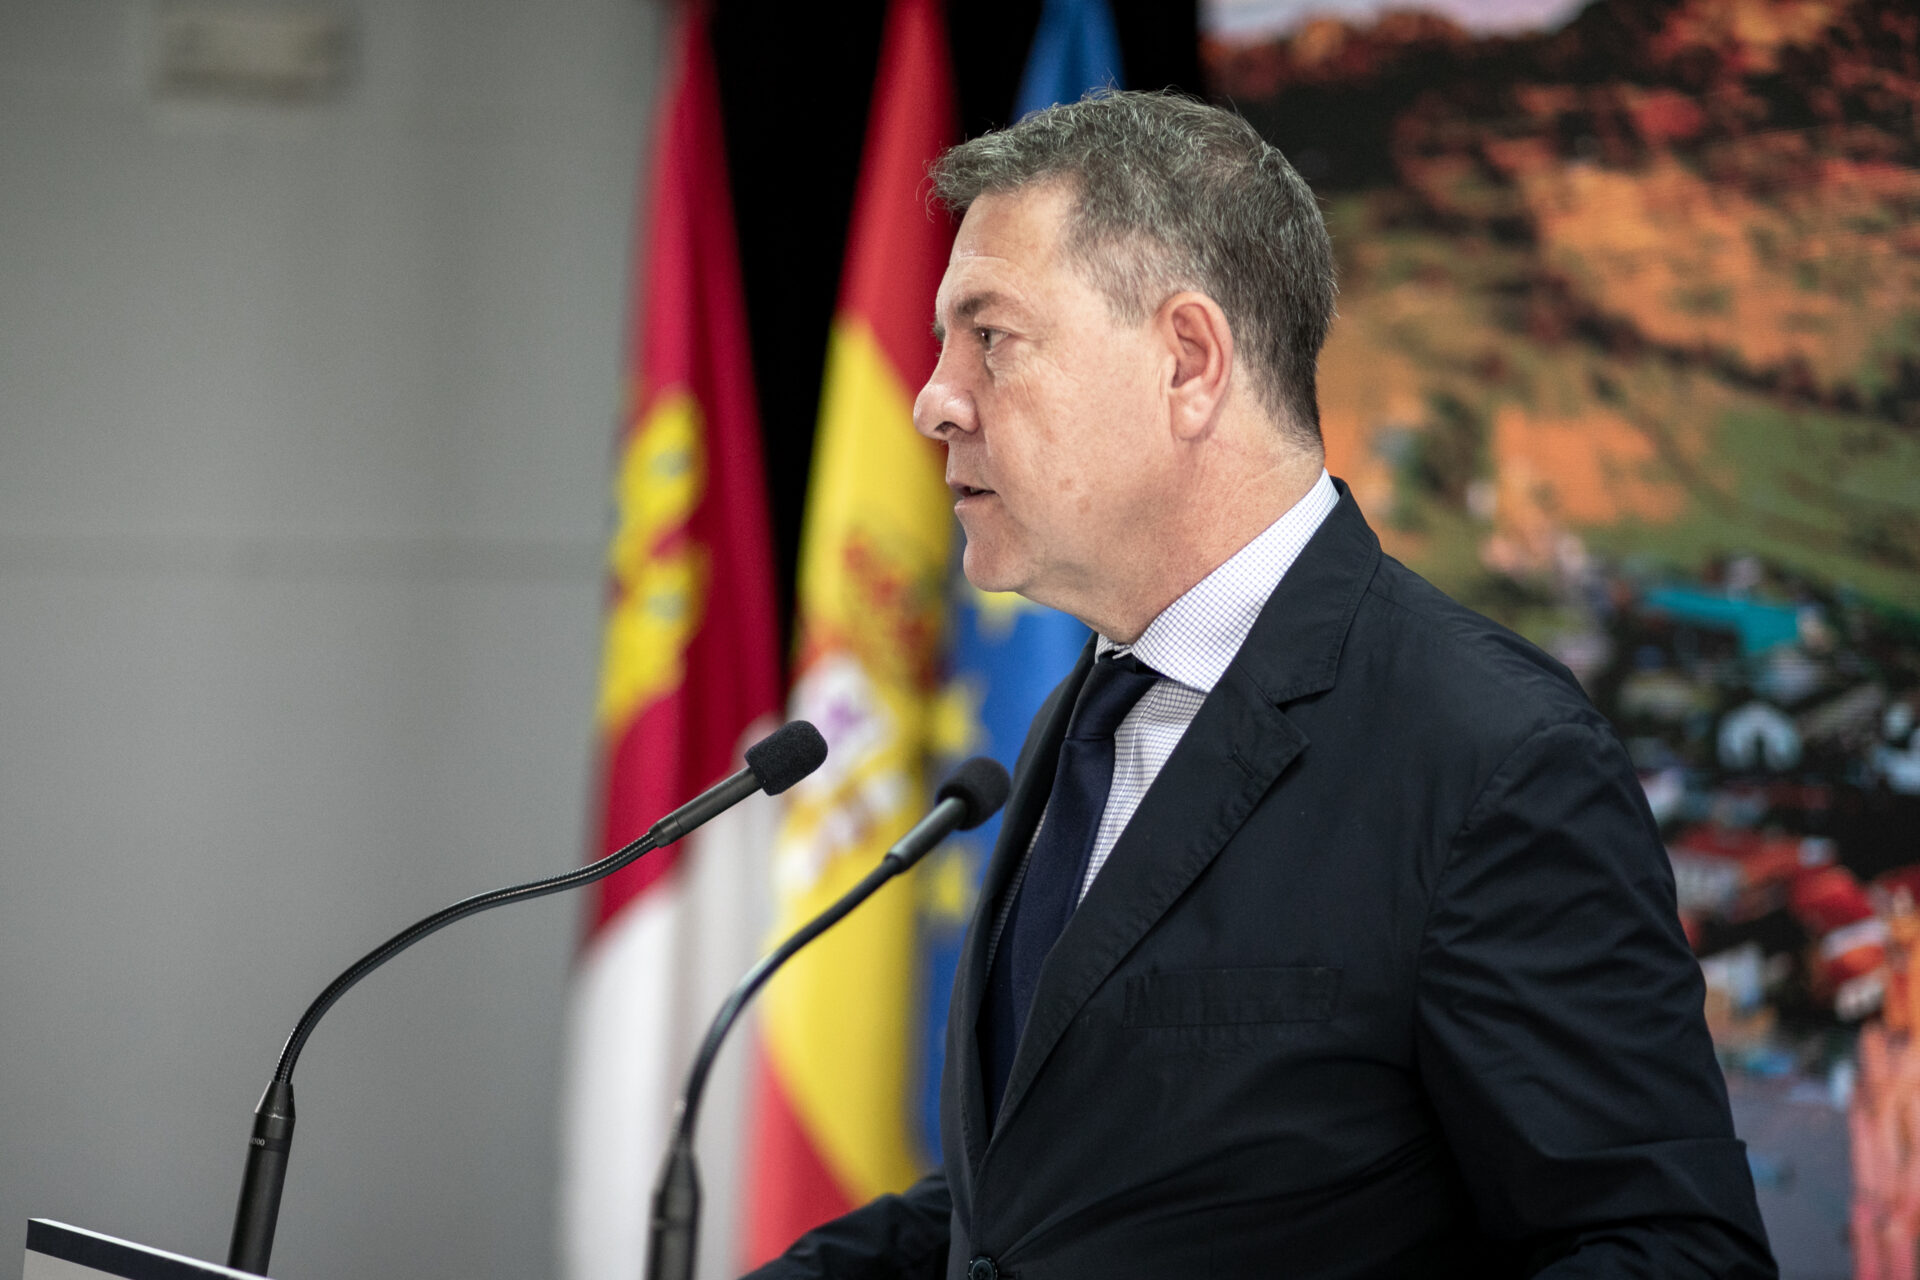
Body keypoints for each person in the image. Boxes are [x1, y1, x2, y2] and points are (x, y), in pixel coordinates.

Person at [747, 90, 1775, 1279]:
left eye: (991, 337)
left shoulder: (1491, 756)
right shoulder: (1088, 716)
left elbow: (1670, 1248)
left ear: (1188, 361)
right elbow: (1051, 1206)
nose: (934, 397)